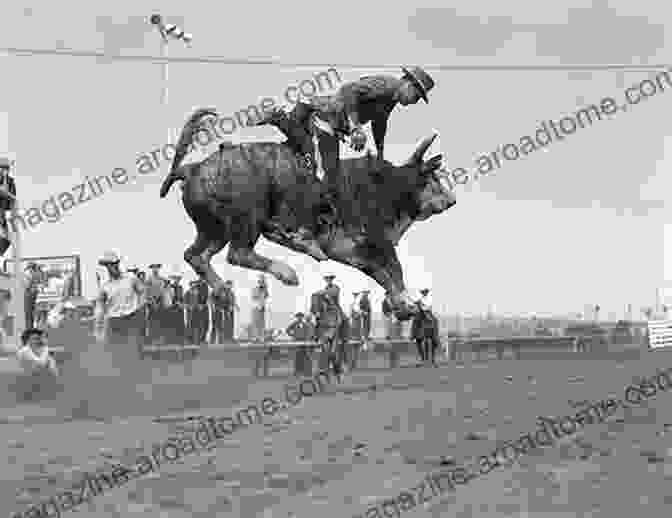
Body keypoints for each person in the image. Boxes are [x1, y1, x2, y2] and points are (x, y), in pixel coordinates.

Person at [270, 67, 435, 242]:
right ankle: (301, 225)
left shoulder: (390, 99)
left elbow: (379, 123)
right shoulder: (387, 85)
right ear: (407, 84)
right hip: (325, 119)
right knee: (323, 174)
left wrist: (380, 154)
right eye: (416, 96)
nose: (414, 102)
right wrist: (355, 127)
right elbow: (349, 90)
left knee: (331, 177)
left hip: (333, 127)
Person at [95, 251, 146, 359]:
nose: (111, 267)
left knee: (134, 351)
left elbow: (142, 291)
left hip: (131, 318)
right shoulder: (104, 285)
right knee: (114, 353)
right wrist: (98, 328)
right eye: (108, 265)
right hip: (114, 320)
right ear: (106, 267)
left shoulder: (130, 278)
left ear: (118, 264)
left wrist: (140, 307)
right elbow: (100, 306)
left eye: (113, 264)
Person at [14, 328, 60, 401]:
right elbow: (41, 363)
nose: (37, 341)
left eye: (38, 338)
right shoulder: (25, 350)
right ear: (27, 340)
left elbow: (42, 363)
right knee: (49, 360)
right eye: (34, 339)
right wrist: (46, 349)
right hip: (28, 380)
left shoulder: (34, 350)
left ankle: (56, 386)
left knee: (51, 360)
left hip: (35, 377)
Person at [286, 312, 314, 377]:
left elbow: (307, 332)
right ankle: (296, 371)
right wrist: (292, 335)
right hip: (296, 342)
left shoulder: (305, 324)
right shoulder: (294, 324)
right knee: (297, 357)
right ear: (297, 317)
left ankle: (303, 371)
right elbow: (287, 330)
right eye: (298, 317)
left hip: (303, 342)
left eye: (301, 317)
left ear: (302, 318)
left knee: (304, 356)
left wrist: (306, 339)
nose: (300, 318)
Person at [0, 157, 17, 257]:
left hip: (2, 213)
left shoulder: (10, 181)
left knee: (7, 239)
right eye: (3, 168)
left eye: (7, 168)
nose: (5, 170)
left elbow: (13, 198)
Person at [185, 279, 209, 345]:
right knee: (190, 325)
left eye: (194, 285)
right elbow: (185, 302)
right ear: (190, 286)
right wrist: (189, 306)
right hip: (190, 312)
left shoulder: (198, 293)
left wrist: (199, 306)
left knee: (198, 325)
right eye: (192, 285)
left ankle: (197, 339)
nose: (193, 286)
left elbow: (200, 301)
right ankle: (189, 339)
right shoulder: (187, 293)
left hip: (197, 312)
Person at [250, 275, 269, 342]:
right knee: (255, 322)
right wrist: (260, 294)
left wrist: (265, 288)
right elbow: (254, 297)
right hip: (256, 307)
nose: (262, 283)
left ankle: (261, 337)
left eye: (263, 282)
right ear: (258, 283)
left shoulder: (264, 289)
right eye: (260, 282)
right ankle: (255, 337)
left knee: (262, 323)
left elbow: (266, 296)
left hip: (262, 307)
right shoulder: (255, 289)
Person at [24, 262, 40, 330]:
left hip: (29, 293)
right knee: (31, 312)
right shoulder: (36, 273)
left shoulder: (29, 274)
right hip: (33, 293)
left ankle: (29, 327)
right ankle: (30, 327)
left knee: (28, 312)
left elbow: (27, 285)